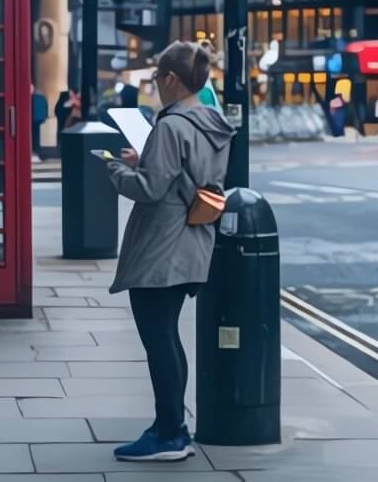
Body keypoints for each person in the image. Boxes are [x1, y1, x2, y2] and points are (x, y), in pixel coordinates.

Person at [103, 41, 235, 462]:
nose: (156, 86)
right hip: (194, 243)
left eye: (158, 79)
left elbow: (151, 188)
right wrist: (145, 158)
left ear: (172, 79)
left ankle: (168, 434)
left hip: (162, 248)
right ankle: (173, 427)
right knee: (169, 337)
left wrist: (116, 168)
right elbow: (184, 176)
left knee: (159, 339)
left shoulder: (170, 126)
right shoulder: (211, 121)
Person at [30, 84, 48, 161]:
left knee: (33, 136)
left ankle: (33, 151)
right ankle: (35, 151)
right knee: (36, 136)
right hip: (38, 119)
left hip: (32, 119)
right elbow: (45, 107)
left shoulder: (31, 98)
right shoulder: (41, 97)